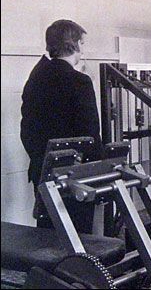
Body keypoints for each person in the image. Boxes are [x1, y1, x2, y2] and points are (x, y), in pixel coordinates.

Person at [20, 19, 104, 233]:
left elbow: (27, 131)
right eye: (82, 43)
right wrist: (97, 171)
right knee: (78, 238)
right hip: (75, 176)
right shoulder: (80, 81)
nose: (84, 49)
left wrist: (42, 160)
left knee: (47, 237)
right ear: (74, 44)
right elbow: (91, 135)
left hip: (43, 171)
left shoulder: (35, 78)